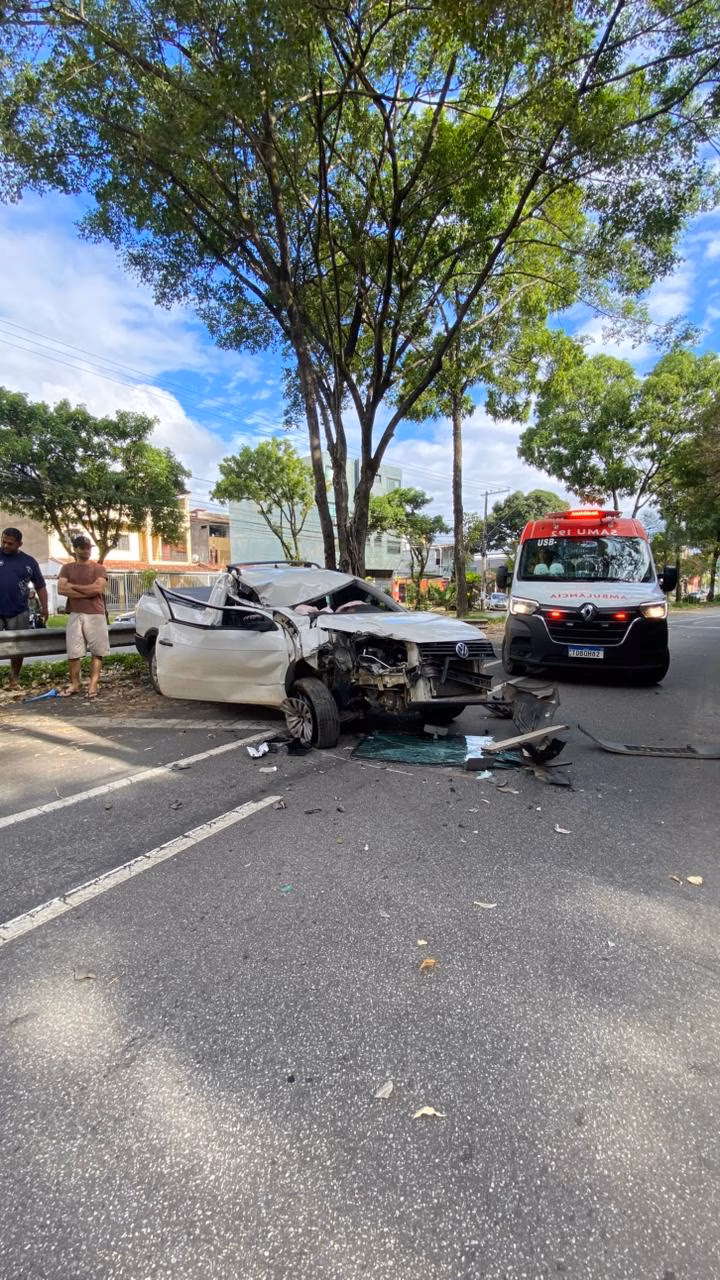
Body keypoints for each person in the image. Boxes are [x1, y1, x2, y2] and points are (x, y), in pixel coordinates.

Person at [57, 535, 109, 698]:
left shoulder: (98, 568)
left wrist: (73, 587)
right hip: (75, 612)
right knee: (74, 651)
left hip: (95, 613)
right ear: (75, 549)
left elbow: (98, 590)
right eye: (82, 547)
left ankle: (93, 684)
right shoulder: (67, 568)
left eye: (88, 547)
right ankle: (75, 684)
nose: (86, 550)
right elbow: (61, 589)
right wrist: (86, 590)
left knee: (97, 650)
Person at [0, 527, 49, 687]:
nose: (6, 546)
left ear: (19, 544)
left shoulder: (29, 562)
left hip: (18, 610)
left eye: (10, 543)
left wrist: (45, 607)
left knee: (18, 647)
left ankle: (14, 679)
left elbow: (40, 586)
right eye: (3, 542)